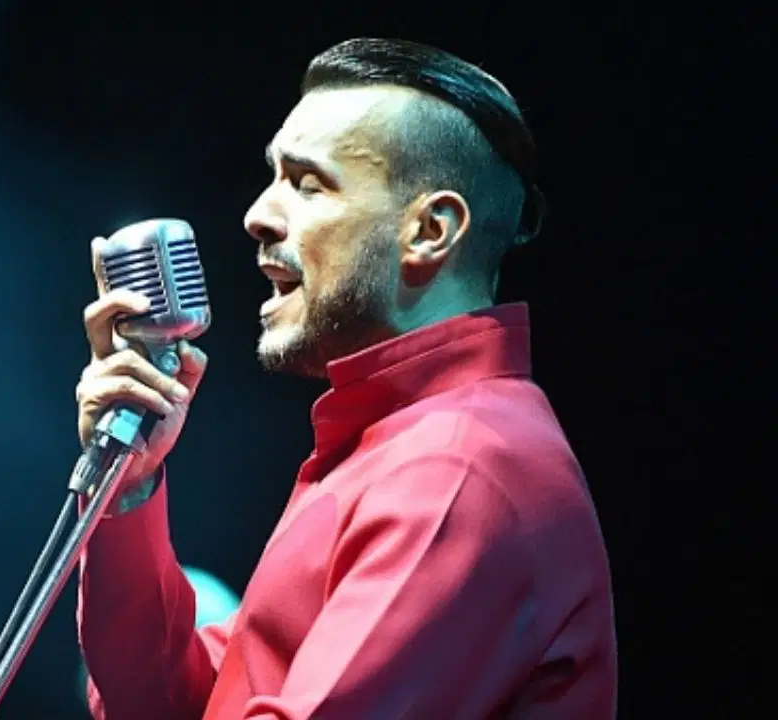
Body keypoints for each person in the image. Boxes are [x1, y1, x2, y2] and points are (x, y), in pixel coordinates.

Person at [73, 37, 617, 719]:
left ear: (430, 230)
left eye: (307, 184)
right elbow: (162, 703)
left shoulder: (461, 466)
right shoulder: (397, 448)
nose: (257, 216)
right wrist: (128, 487)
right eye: (273, 177)